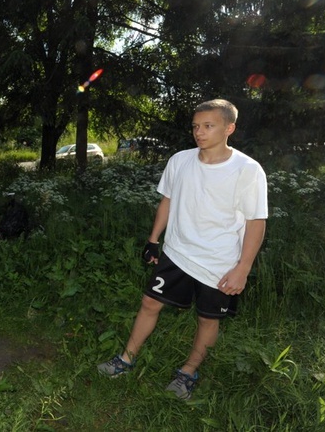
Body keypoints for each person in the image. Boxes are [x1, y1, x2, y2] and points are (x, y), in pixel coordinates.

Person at [97, 99, 267, 400]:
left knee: (207, 318)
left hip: (219, 262)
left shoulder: (247, 170)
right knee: (149, 303)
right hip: (177, 253)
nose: (199, 132)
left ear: (229, 128)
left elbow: (256, 221)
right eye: (196, 126)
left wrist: (243, 267)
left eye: (208, 126)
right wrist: (153, 239)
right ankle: (125, 359)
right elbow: (168, 201)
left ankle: (188, 372)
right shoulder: (180, 160)